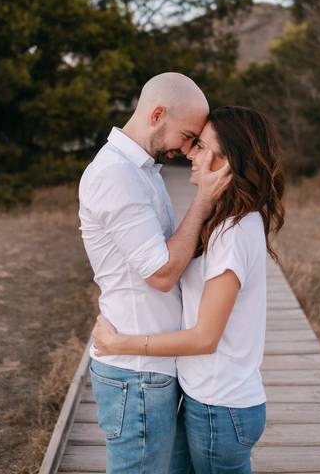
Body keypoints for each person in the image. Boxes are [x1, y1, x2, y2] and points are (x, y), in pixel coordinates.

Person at [92, 105, 285, 474]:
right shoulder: (221, 220)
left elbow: (204, 338)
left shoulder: (233, 232)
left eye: (201, 146)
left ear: (227, 162)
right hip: (205, 400)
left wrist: (120, 344)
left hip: (221, 406)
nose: (190, 154)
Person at [78, 72, 232, 474]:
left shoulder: (142, 171)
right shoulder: (116, 176)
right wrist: (203, 200)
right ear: (157, 113)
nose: (187, 149)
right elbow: (162, 273)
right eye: (187, 136)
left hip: (151, 366)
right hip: (136, 374)